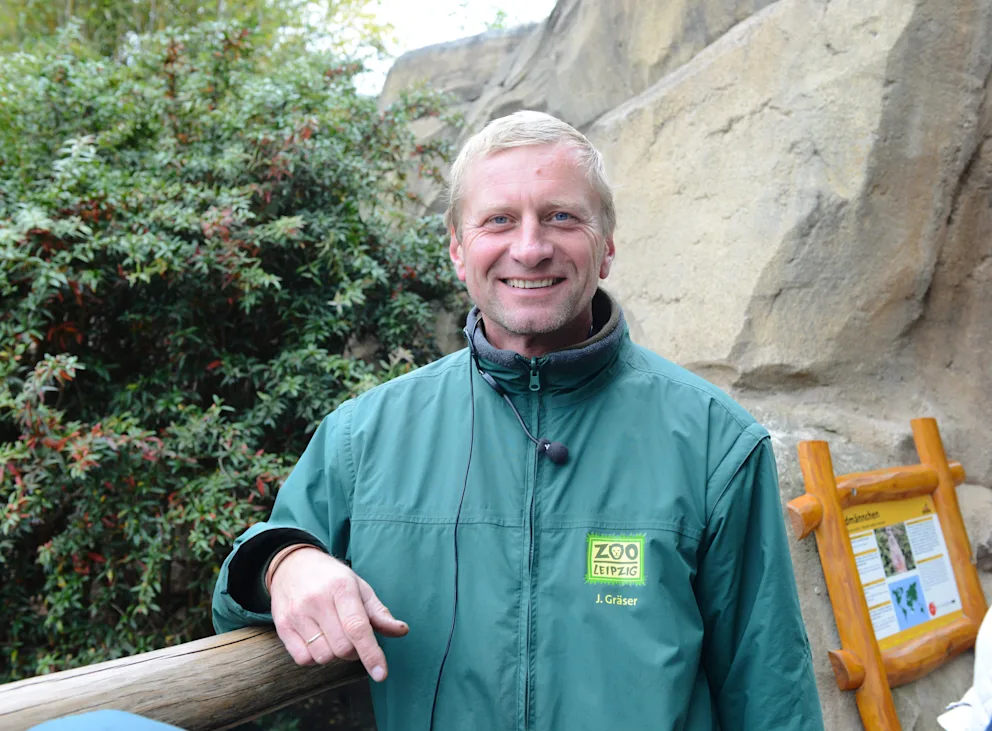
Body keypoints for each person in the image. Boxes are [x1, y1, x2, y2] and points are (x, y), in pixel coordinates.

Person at [212, 110, 824, 730]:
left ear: (606, 245)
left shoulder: (716, 442)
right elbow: (236, 598)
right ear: (457, 248)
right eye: (499, 220)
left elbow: (770, 687)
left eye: (561, 216)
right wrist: (285, 564)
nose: (530, 248)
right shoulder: (362, 437)